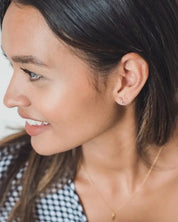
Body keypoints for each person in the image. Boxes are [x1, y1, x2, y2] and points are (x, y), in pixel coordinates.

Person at [0, 0, 177, 221]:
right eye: (11, 65)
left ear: (127, 79)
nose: (10, 99)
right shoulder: (7, 182)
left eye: (33, 73)